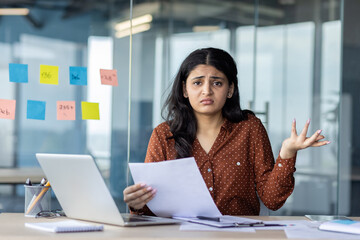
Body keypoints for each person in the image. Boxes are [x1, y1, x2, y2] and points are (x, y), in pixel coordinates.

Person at [123, 47, 329, 215]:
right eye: (197, 82)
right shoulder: (164, 134)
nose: (206, 90)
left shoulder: (249, 128)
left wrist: (287, 153)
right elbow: (150, 207)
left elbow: (272, 200)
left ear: (230, 89)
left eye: (217, 83)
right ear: (185, 90)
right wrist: (137, 202)